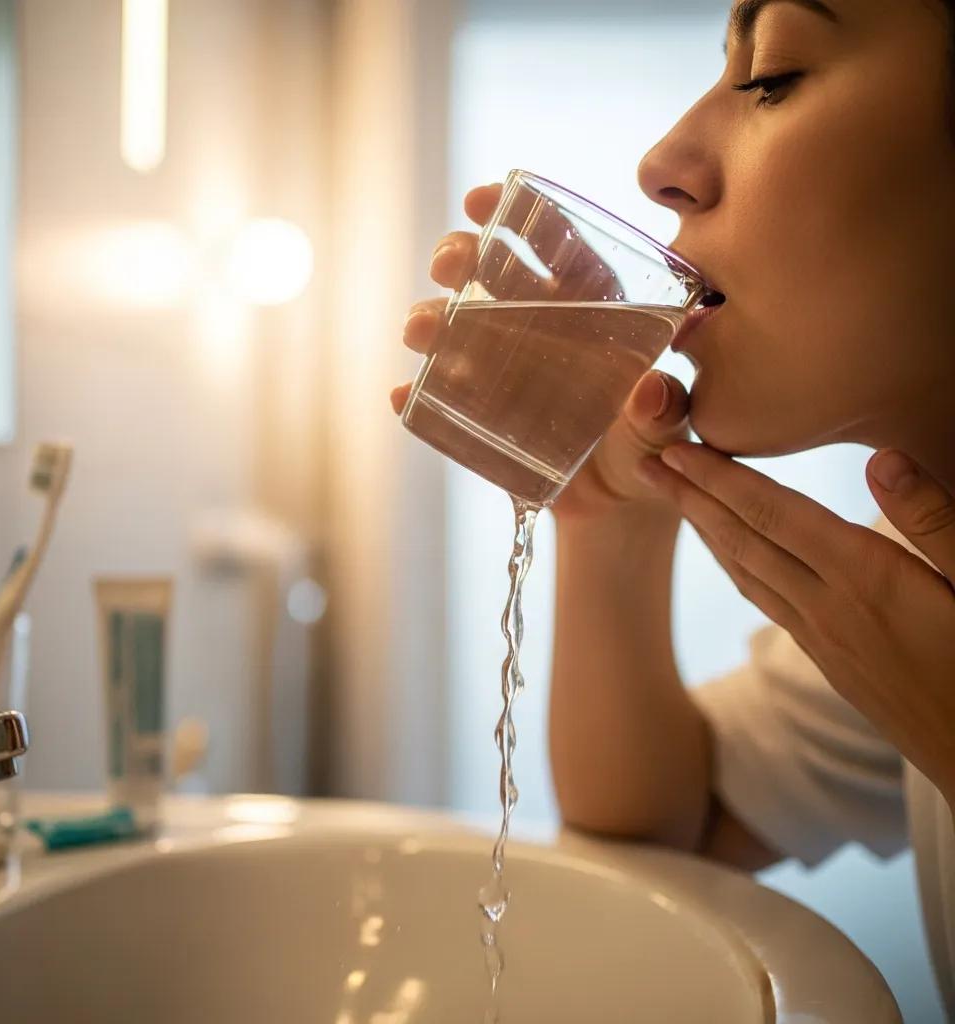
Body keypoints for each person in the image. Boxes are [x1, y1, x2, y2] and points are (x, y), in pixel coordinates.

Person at [391, 0, 955, 1012]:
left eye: (772, 73)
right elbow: (666, 831)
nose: (660, 164)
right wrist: (610, 514)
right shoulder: (914, 570)